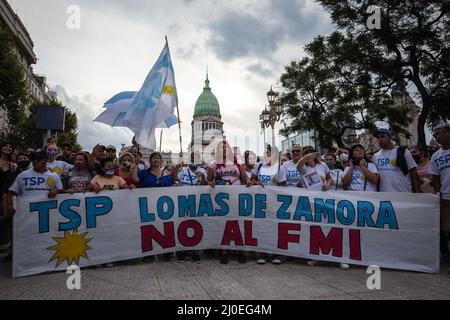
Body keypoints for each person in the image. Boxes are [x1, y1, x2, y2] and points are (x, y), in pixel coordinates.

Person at [208, 140, 250, 264]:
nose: (224, 150)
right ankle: (224, 250)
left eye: (226, 148)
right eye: (221, 148)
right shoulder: (213, 164)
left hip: (236, 197)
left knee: (238, 222)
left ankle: (239, 249)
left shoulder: (236, 163)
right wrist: (209, 183)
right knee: (223, 224)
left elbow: (245, 177)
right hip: (221, 200)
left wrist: (248, 182)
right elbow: (209, 180)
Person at [138, 152, 178, 262]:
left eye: (158, 158)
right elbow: (136, 181)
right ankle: (149, 253)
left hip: (164, 207)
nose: (156, 160)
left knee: (166, 227)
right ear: (150, 161)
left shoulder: (166, 174)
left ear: (161, 161)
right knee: (149, 228)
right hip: (148, 206)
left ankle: (166, 251)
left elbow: (173, 183)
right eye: (154, 158)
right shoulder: (144, 173)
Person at [251, 145, 286, 265]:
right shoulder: (259, 166)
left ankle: (275, 254)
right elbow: (252, 180)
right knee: (262, 226)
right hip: (260, 201)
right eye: (266, 153)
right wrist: (257, 183)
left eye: (270, 153)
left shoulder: (280, 168)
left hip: (274, 202)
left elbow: (283, 186)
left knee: (275, 227)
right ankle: (262, 253)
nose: (267, 155)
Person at [7, 150, 63, 216]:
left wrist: (56, 190)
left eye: (38, 159)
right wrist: (10, 206)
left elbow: (60, 190)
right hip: (25, 214)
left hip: (46, 214)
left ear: (46, 160)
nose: (35, 161)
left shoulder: (54, 175)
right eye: (33, 159)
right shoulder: (22, 175)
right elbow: (12, 192)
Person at [0, 152, 30, 259]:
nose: (22, 160)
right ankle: (14, 253)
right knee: (15, 231)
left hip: (30, 209)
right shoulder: (13, 175)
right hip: (16, 208)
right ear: (16, 162)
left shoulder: (36, 173)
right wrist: (6, 207)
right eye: (20, 158)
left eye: (25, 158)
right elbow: (5, 191)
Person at [372, 128, 421, 193]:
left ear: (390, 137)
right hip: (385, 195)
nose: (380, 139)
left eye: (383, 136)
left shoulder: (403, 152)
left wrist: (418, 191)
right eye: (378, 137)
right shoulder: (375, 156)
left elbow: (413, 172)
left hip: (404, 193)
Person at [429, 123, 450, 266]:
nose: (438, 137)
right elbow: (435, 178)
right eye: (435, 135)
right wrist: (439, 194)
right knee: (447, 227)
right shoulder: (436, 156)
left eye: (441, 133)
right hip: (446, 197)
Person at [0, 142, 16, 248]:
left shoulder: (12, 165)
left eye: (10, 147)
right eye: (6, 146)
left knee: (4, 218)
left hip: (4, 195)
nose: (8, 148)